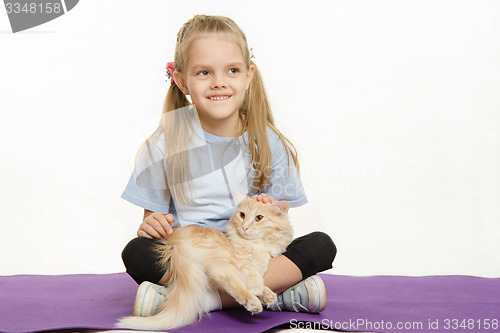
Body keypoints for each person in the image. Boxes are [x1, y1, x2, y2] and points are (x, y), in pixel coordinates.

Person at [121, 14, 337, 317]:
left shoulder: (268, 141)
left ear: (248, 75)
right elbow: (156, 227)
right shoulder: (162, 145)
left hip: (250, 254)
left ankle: (204, 300)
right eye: (204, 72)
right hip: (198, 256)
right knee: (137, 253)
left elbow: (280, 221)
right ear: (181, 80)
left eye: (231, 70)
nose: (219, 82)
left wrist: (269, 205)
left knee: (320, 245)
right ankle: (281, 294)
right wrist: (152, 226)